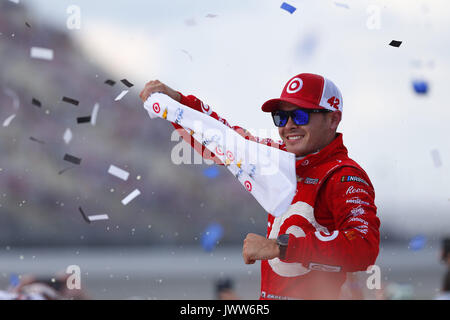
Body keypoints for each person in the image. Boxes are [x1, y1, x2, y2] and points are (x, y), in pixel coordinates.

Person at [140, 73, 381, 300]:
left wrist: (279, 246)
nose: (288, 126)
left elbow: (363, 247)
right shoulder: (278, 158)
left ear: (333, 119)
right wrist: (178, 105)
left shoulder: (344, 176)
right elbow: (224, 140)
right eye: (280, 117)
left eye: (300, 116)